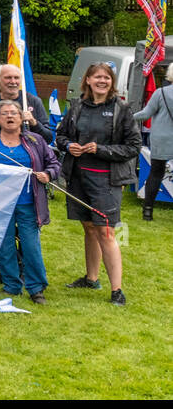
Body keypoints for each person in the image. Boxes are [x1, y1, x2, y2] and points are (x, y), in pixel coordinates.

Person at [55, 62, 141, 305]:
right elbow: (60, 135)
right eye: (97, 77)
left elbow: (133, 146)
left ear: (112, 82)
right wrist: (68, 145)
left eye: (107, 78)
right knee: (89, 228)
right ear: (88, 80)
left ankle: (117, 290)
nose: (102, 81)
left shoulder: (121, 109)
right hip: (78, 177)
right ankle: (91, 278)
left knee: (106, 231)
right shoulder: (77, 106)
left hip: (107, 180)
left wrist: (100, 149)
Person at [0, 100, 59, 303]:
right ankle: (12, 285)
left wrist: (48, 174)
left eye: (14, 113)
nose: (10, 117)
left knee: (30, 245)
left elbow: (55, 164)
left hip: (28, 202)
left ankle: (36, 287)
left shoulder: (35, 140)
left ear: (22, 118)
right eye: (5, 114)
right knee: (4, 246)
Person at [133, 67, 173, 221]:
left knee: (156, 174)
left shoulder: (160, 93)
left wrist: (127, 116)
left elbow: (146, 114)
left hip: (160, 139)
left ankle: (148, 211)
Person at [0, 65, 51, 142]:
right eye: (8, 78)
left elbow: (48, 138)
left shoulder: (34, 101)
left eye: (16, 78)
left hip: (29, 152)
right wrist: (0, 129)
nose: (13, 82)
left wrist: (34, 124)